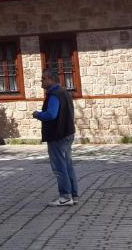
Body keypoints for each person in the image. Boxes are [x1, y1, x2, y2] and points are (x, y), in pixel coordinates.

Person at [32, 68, 78, 206]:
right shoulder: (64, 92)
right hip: (68, 133)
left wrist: (38, 114)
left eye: (44, 78)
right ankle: (73, 195)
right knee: (68, 165)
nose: (42, 81)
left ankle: (65, 196)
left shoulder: (54, 95)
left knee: (59, 167)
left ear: (51, 79)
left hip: (58, 135)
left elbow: (51, 114)